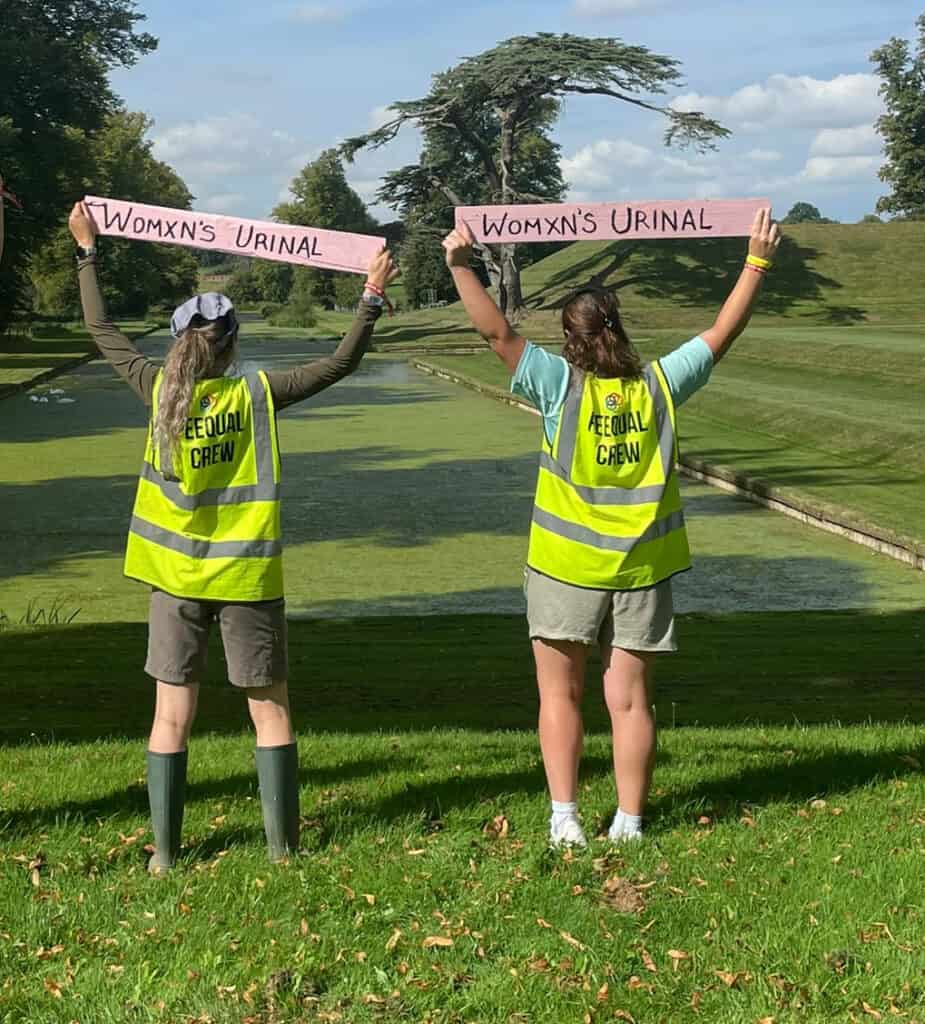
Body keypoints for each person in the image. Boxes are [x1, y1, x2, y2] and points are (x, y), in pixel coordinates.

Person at [67, 200, 398, 870]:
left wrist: (87, 251)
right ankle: (282, 852)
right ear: (235, 340)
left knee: (170, 719)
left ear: (178, 341)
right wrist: (370, 295)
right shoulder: (258, 393)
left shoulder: (156, 388)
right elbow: (337, 364)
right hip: (248, 576)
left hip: (175, 577)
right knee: (269, 712)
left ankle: (164, 856)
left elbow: (100, 328)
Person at [443, 210, 781, 847]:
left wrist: (461, 265)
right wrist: (756, 260)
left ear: (569, 340)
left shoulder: (557, 386)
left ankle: (565, 819)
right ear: (617, 329)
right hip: (641, 571)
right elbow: (721, 332)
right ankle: (629, 821)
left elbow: (495, 332)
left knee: (560, 696)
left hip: (562, 568)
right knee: (629, 702)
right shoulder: (659, 385)